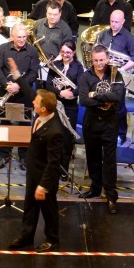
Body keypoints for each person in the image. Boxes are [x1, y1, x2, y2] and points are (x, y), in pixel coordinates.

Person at [7, 77, 64, 253]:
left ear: (44, 109)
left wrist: (43, 186)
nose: (33, 102)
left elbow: (53, 163)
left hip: (45, 176)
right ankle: (27, 235)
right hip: (33, 170)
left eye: (36, 102)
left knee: (48, 209)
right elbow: (31, 93)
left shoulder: (55, 131)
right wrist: (18, 76)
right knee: (30, 205)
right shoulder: (43, 113)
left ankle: (52, 239)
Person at [78, 45, 124, 213]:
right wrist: (106, 100)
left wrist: (96, 95)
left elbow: (117, 97)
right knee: (93, 158)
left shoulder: (116, 74)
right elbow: (84, 100)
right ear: (92, 59)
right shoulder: (85, 76)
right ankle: (95, 188)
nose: (99, 63)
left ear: (107, 58)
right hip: (91, 123)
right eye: (96, 60)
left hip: (109, 123)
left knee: (110, 161)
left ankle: (111, 196)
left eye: (102, 60)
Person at [0, 23, 40, 169]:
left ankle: (23, 157)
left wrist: (19, 85)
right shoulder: (3, 48)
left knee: (24, 126)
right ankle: (4, 155)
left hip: (24, 94)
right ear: (12, 37)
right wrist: (6, 85)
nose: (22, 40)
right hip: (6, 92)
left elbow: (33, 72)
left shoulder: (32, 50)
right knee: (4, 124)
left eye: (24, 37)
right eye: (19, 37)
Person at [96, 9, 134, 144]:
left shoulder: (128, 37)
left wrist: (122, 68)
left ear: (123, 21)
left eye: (116, 22)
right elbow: (97, 51)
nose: (113, 24)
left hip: (119, 77)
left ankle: (121, 134)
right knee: (102, 103)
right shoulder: (103, 34)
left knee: (119, 107)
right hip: (104, 74)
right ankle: (104, 130)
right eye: (112, 21)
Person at [45, 40, 83, 176]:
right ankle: (51, 166)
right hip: (55, 104)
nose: (65, 55)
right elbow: (48, 85)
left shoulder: (78, 67)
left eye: (68, 52)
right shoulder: (55, 65)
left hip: (70, 107)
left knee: (67, 138)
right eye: (62, 52)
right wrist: (60, 92)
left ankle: (63, 169)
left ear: (73, 52)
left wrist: (71, 94)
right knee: (53, 136)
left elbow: (81, 86)